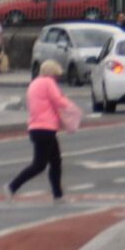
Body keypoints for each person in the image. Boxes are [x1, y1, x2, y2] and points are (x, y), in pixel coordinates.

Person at [6, 60, 82, 201]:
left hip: (37, 127)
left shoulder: (35, 83)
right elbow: (57, 100)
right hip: (45, 128)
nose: (57, 78)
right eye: (56, 75)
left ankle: (58, 194)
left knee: (55, 161)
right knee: (39, 165)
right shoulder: (48, 82)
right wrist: (72, 107)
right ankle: (12, 186)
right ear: (51, 73)